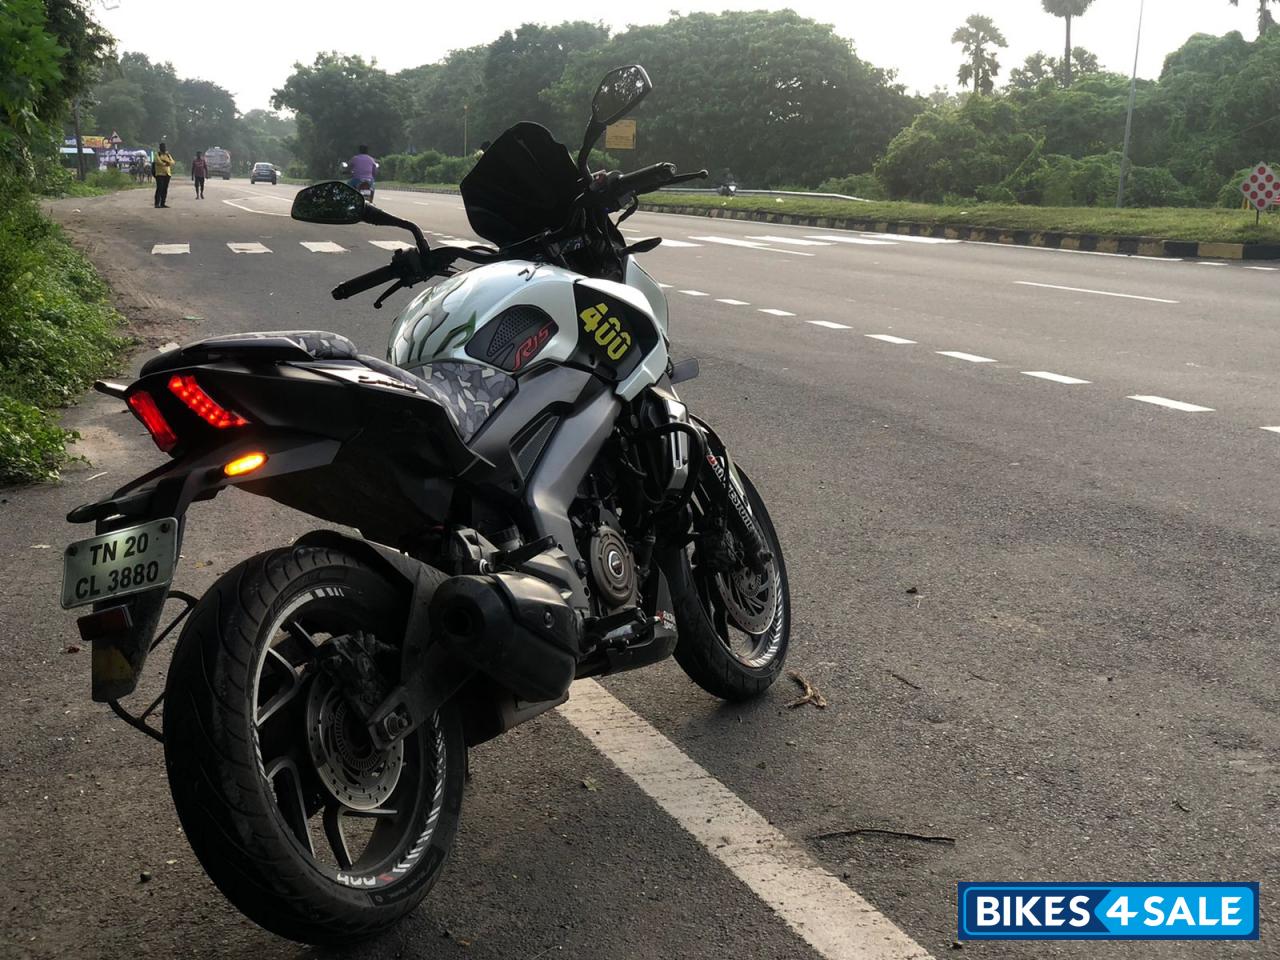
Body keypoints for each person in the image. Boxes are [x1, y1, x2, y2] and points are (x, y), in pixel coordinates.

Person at [154, 142, 175, 208]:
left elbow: (173, 162)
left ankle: (163, 203)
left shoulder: (168, 154)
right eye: (163, 147)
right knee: (159, 188)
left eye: (165, 147)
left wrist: (165, 162)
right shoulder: (157, 154)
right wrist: (166, 163)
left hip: (167, 174)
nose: (164, 148)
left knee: (165, 189)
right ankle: (157, 203)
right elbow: (158, 161)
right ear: (160, 148)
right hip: (160, 174)